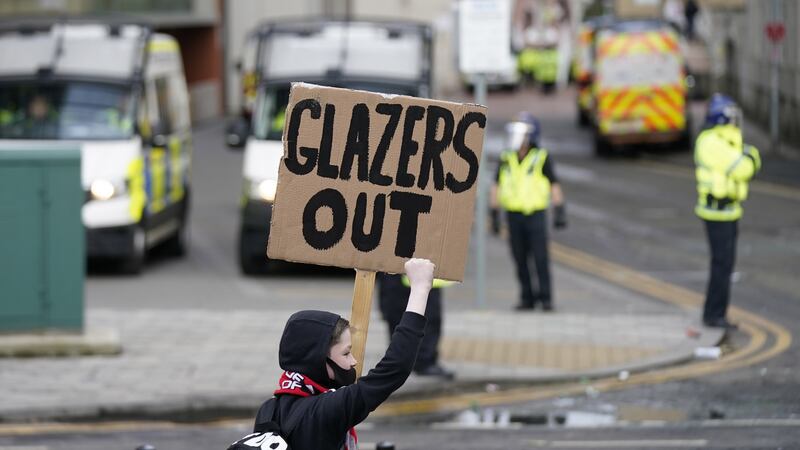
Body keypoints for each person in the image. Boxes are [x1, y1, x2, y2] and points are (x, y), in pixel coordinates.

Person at [253, 258, 435, 450]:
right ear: (318, 359)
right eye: (346, 353)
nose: (353, 361)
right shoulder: (326, 410)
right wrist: (420, 289)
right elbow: (395, 368)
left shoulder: (269, 410)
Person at [694, 94, 760, 329]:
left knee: (725, 266)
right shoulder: (711, 141)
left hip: (729, 211)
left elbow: (751, 160)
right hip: (716, 213)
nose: (735, 121)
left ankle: (717, 312)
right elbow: (743, 167)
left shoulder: (726, 140)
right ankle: (713, 315)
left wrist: (748, 157)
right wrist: (747, 157)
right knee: (721, 266)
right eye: (731, 116)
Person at [492, 113, 567, 311]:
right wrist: (494, 214)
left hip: (535, 215)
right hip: (513, 216)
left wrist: (559, 209)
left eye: (521, 133)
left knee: (540, 258)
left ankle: (546, 298)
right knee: (519, 259)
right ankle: (527, 298)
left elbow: (554, 184)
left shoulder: (541, 157)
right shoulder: (506, 157)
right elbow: (496, 186)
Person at [378, 273, 454, 379]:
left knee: (428, 315)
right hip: (395, 273)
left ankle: (422, 360)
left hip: (422, 270)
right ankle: (401, 361)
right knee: (397, 314)